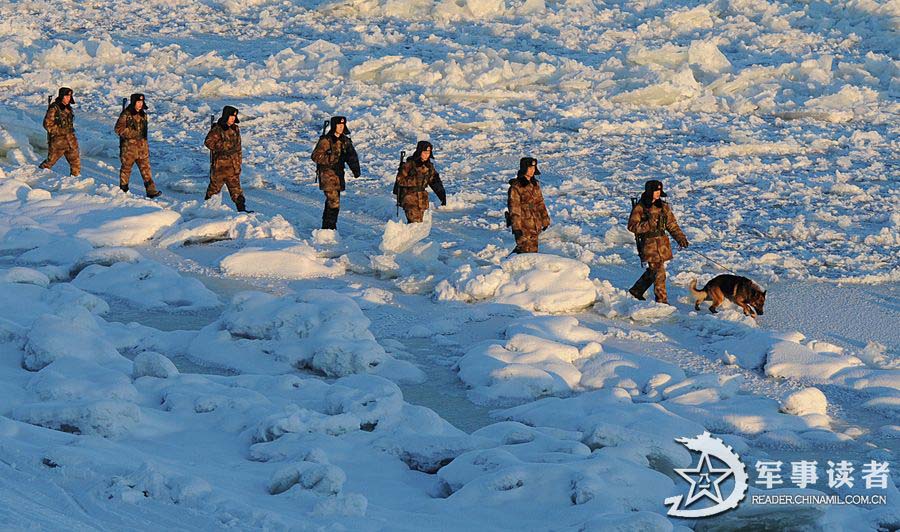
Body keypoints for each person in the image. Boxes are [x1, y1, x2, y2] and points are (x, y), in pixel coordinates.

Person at [627, 179, 689, 304]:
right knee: (660, 274)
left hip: (662, 245)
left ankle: (637, 290)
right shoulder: (641, 207)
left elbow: (672, 224)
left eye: (659, 190)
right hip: (649, 245)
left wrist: (680, 238)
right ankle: (662, 301)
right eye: (656, 190)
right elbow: (632, 226)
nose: (658, 193)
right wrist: (648, 224)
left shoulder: (663, 206)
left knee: (654, 271)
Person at [311, 116, 360, 230]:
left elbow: (351, 156)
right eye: (338, 125)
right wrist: (330, 158)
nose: (341, 127)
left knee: (332, 202)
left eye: (343, 125)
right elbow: (315, 156)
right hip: (327, 176)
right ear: (334, 126)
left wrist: (355, 170)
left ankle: (327, 227)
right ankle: (330, 228)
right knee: (334, 201)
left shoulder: (345, 141)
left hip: (338, 176)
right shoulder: (326, 140)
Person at [114, 93, 160, 198]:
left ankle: (151, 191)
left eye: (141, 102)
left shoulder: (144, 115)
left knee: (146, 170)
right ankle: (123, 190)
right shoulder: (126, 114)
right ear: (133, 102)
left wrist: (145, 145)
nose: (140, 104)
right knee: (126, 169)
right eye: (138, 102)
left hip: (142, 148)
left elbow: (144, 133)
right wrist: (131, 133)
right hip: (129, 149)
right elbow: (118, 129)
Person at [204, 105, 249, 212]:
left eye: (235, 116)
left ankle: (242, 211)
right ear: (226, 116)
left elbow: (238, 148)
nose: (233, 118)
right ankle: (206, 211)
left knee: (237, 191)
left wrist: (238, 164)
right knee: (213, 191)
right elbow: (208, 142)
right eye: (231, 116)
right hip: (220, 168)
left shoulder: (235, 129)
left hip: (233, 167)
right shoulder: (218, 129)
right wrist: (224, 146)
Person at [393, 141, 446, 223]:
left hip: (422, 201)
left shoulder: (429, 166)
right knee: (415, 224)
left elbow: (435, 181)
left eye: (428, 153)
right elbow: (400, 180)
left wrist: (441, 194)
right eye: (425, 152)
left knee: (418, 225)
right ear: (420, 152)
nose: (426, 155)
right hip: (410, 199)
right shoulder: (409, 164)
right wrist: (415, 181)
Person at [507, 157, 550, 253]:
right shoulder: (516, 187)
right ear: (523, 169)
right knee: (524, 252)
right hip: (523, 226)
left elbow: (540, 203)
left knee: (533, 252)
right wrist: (517, 228)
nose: (532, 171)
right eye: (529, 168)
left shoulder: (535, 184)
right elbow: (514, 209)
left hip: (535, 224)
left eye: (533, 168)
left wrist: (545, 219)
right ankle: (508, 264)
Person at [39, 87, 80, 177]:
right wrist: (61, 131)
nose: (69, 98)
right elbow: (47, 125)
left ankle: (75, 181)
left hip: (71, 141)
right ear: (62, 96)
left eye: (70, 96)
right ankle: (38, 175)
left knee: (75, 163)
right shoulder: (54, 108)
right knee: (49, 162)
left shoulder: (68, 108)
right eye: (67, 96)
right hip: (58, 142)